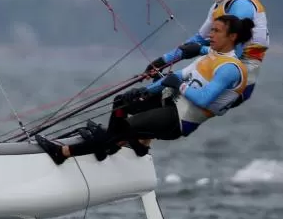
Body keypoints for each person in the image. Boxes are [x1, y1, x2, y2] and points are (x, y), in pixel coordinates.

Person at [35, 14, 254, 165]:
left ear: (232, 37)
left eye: (216, 31)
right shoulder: (211, 56)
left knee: (122, 129)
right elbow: (177, 76)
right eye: (212, 30)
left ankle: (64, 153)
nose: (210, 35)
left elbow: (204, 99)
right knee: (123, 101)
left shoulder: (230, 69)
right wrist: (148, 91)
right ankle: (116, 145)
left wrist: (180, 86)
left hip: (180, 120)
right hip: (173, 102)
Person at [144, 0, 268, 106]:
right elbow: (198, 40)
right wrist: (163, 60)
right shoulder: (217, 7)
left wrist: (200, 49)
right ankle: (142, 97)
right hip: (219, 67)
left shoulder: (241, 5)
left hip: (238, 78)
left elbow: (235, 52)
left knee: (170, 88)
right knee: (161, 84)